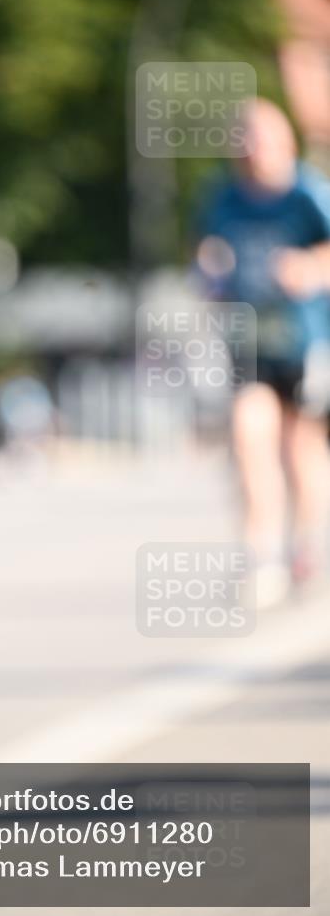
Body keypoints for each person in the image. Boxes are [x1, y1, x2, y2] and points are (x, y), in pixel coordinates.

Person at [196, 98, 330, 606]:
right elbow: (206, 250)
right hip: (247, 340)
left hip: (305, 339)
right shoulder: (222, 197)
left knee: (300, 445)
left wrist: (311, 267)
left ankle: (306, 541)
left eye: (262, 137)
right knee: (250, 438)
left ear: (285, 142)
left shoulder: (309, 194)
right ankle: (262, 554)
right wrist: (211, 267)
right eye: (244, 138)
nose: (252, 149)